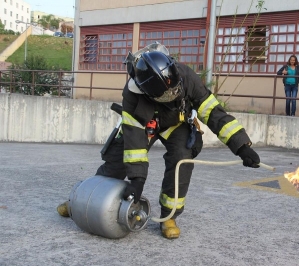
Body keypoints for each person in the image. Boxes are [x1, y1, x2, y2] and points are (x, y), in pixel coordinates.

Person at [57, 45, 261, 240]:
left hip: (175, 123)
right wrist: (137, 180)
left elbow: (214, 113)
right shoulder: (132, 94)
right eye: (166, 95)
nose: (173, 95)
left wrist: (241, 146)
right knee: (116, 163)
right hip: (145, 125)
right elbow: (135, 140)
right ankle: (82, 200)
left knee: (182, 158)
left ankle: (169, 217)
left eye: (175, 90)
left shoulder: (186, 76)